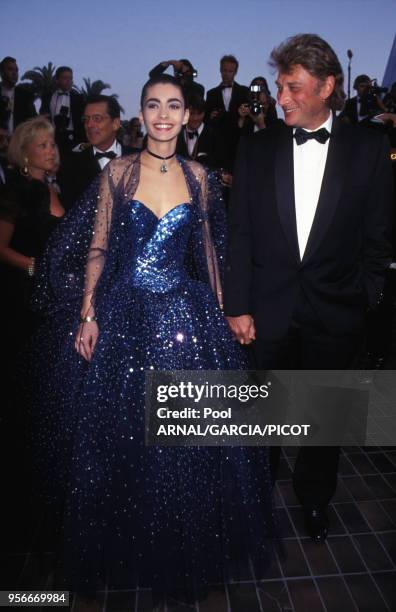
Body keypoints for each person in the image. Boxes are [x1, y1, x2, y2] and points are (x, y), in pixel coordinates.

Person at [30, 74, 277, 608]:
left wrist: (223, 313)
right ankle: (132, 540)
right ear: (141, 114)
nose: (162, 114)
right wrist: (89, 312)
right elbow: (97, 248)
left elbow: (212, 250)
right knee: (123, 435)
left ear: (188, 114)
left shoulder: (200, 176)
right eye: (152, 105)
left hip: (188, 317)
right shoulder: (118, 173)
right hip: (125, 316)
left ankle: (182, 543)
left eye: (173, 105)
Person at [224, 34, 393, 543]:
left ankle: (315, 500)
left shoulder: (369, 147)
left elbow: (379, 234)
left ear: (327, 85)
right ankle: (254, 502)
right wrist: (238, 306)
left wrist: (364, 296)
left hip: (336, 312)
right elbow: (240, 234)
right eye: (279, 87)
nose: (281, 98)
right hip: (267, 311)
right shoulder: (256, 147)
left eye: (293, 87)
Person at [58, 95, 132, 209]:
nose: (89, 125)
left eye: (97, 118)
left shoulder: (140, 159)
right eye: (86, 119)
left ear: (115, 124)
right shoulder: (70, 165)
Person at [40, 66, 85, 151]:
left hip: (72, 139)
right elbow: (43, 115)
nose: (69, 81)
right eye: (65, 78)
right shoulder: (48, 97)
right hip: (52, 137)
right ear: (57, 80)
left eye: (70, 78)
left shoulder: (78, 98)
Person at [0, 56, 36, 135]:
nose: (14, 73)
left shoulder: (25, 95)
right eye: (10, 69)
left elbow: (33, 120)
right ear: (2, 72)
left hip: (18, 143)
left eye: (16, 70)